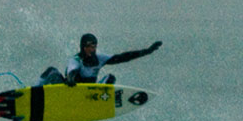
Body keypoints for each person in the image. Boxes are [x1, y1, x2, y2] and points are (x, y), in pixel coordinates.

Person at [34, 33, 162, 86]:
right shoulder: (76, 60)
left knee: (110, 78)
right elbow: (72, 72)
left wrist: (147, 51)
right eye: (89, 46)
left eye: (94, 46)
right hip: (71, 89)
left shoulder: (99, 58)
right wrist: (71, 79)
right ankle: (33, 92)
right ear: (83, 47)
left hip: (90, 93)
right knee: (52, 71)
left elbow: (123, 57)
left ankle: (101, 103)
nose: (92, 49)